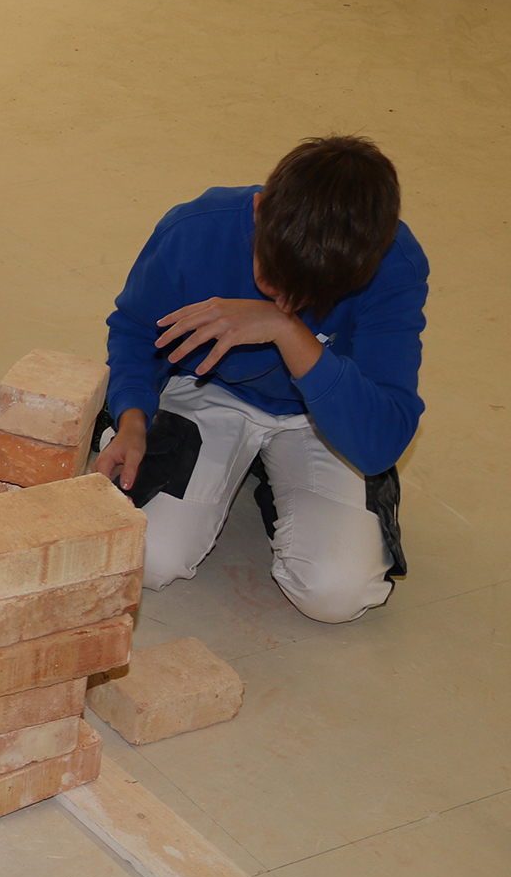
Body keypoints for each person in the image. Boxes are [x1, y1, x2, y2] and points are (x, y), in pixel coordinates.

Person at [93, 135, 429, 623]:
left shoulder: (394, 265)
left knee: (336, 594)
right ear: (258, 211)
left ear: (368, 265)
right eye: (273, 279)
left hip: (320, 413)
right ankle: (242, 463)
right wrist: (131, 419)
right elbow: (136, 331)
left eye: (308, 298)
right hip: (209, 387)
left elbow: (381, 442)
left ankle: (279, 479)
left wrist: (284, 328)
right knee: (145, 555)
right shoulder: (197, 228)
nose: (288, 302)